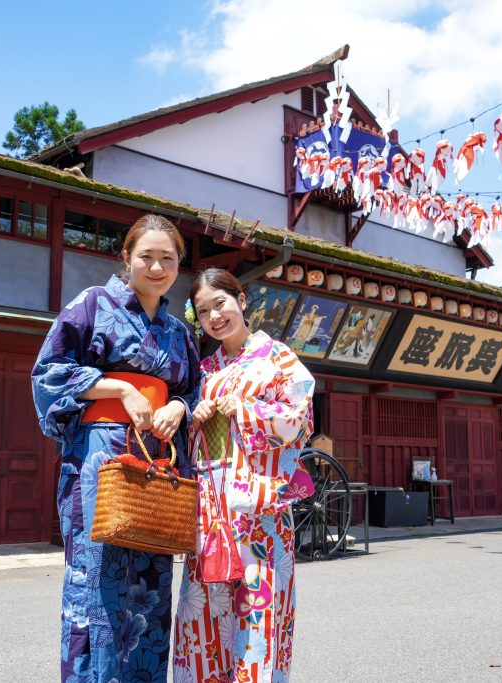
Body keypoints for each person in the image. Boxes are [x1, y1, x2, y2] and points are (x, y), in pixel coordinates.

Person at [32, 214, 200, 682]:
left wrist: (180, 408)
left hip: (155, 463)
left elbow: (193, 389)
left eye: (168, 258)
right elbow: (48, 373)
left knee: (152, 578)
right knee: (95, 583)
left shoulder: (179, 331)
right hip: (99, 460)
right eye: (146, 256)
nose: (157, 267)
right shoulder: (92, 305)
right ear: (126, 258)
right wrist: (117, 389)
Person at [173, 268, 315, 683]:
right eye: (203, 311)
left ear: (242, 300)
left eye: (221, 303)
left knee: (259, 617)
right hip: (211, 511)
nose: (214, 316)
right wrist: (195, 418)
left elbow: (299, 418)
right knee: (203, 613)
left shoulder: (277, 357)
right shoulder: (205, 369)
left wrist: (248, 410)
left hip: (259, 512)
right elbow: (196, 441)